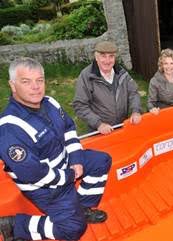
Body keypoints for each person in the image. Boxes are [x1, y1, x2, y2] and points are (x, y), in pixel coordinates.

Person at [0, 57, 112, 240]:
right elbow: (33, 173)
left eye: (40, 80)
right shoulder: (10, 127)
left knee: (101, 161)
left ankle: (80, 208)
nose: (35, 87)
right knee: (73, 230)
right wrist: (68, 176)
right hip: (44, 185)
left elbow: (68, 128)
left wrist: (75, 159)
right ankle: (15, 225)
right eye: (26, 82)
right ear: (12, 86)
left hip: (64, 164)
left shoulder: (50, 102)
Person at [72, 40, 142, 135]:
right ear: (96, 57)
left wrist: (136, 111)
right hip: (99, 131)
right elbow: (79, 105)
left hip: (121, 127)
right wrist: (99, 124)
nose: (107, 61)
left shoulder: (122, 73)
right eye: (103, 56)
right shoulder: (87, 76)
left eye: (111, 56)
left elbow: (133, 93)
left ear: (115, 57)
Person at [147, 48, 173, 115]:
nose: (169, 67)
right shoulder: (155, 81)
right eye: (165, 63)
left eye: (171, 63)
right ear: (162, 65)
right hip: (163, 112)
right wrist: (152, 109)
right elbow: (151, 102)